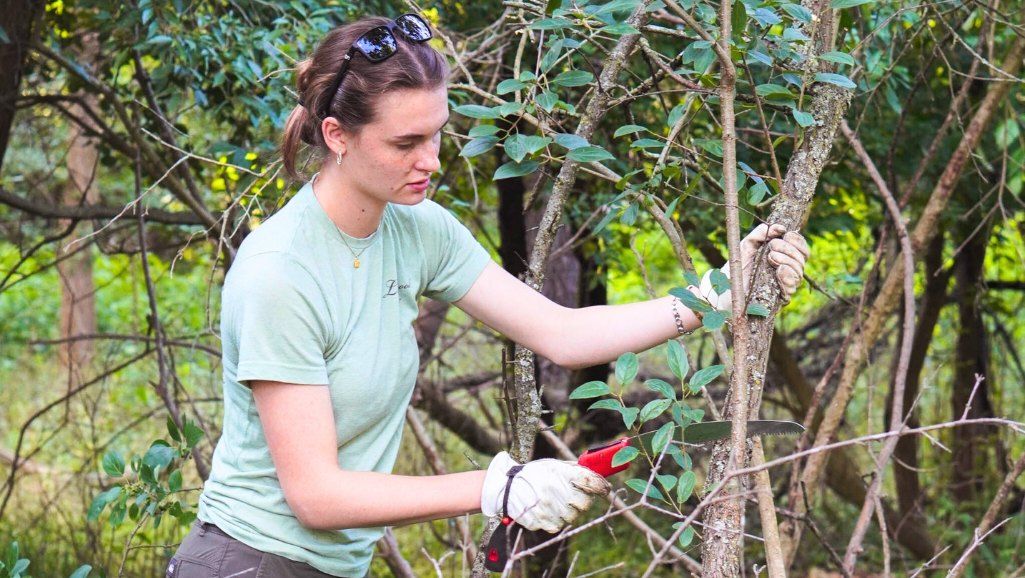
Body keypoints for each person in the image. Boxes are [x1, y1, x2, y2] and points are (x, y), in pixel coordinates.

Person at [165, 13, 811, 578]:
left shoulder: (417, 230)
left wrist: (712, 293)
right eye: (405, 143)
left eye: (437, 133)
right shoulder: (280, 272)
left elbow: (561, 333)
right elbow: (315, 495)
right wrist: (496, 487)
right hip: (245, 563)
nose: (432, 160)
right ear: (336, 136)